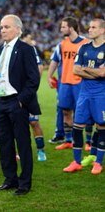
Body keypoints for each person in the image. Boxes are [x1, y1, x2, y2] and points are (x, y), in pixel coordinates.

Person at [0, 14, 41, 196]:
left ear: (18, 29)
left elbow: (33, 79)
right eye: (1, 27)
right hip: (0, 102)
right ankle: (10, 179)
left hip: (16, 102)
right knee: (4, 143)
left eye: (6, 27)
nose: (2, 30)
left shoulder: (26, 49)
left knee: (22, 143)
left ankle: (25, 183)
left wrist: (21, 100)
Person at [63, 18, 105, 174]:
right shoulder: (83, 48)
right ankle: (76, 161)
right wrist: (95, 72)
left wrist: (86, 70)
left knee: (102, 127)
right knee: (77, 126)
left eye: (94, 27)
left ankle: (98, 162)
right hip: (84, 93)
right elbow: (75, 70)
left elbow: (103, 73)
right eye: (89, 27)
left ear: (102, 30)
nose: (90, 29)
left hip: (101, 94)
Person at [47, 17, 89, 150]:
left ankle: (88, 141)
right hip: (65, 83)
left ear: (71, 28)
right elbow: (55, 60)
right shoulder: (62, 44)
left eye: (63, 27)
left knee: (84, 112)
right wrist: (49, 76)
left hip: (80, 83)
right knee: (66, 111)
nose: (61, 29)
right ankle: (68, 140)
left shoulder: (85, 43)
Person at [21, 31, 46, 161]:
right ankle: (22, 152)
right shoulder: (14, 49)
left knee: (34, 121)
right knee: (18, 124)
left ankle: (41, 150)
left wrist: (33, 85)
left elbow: (40, 67)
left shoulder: (32, 50)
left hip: (29, 92)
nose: (32, 42)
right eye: (29, 39)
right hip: (15, 92)